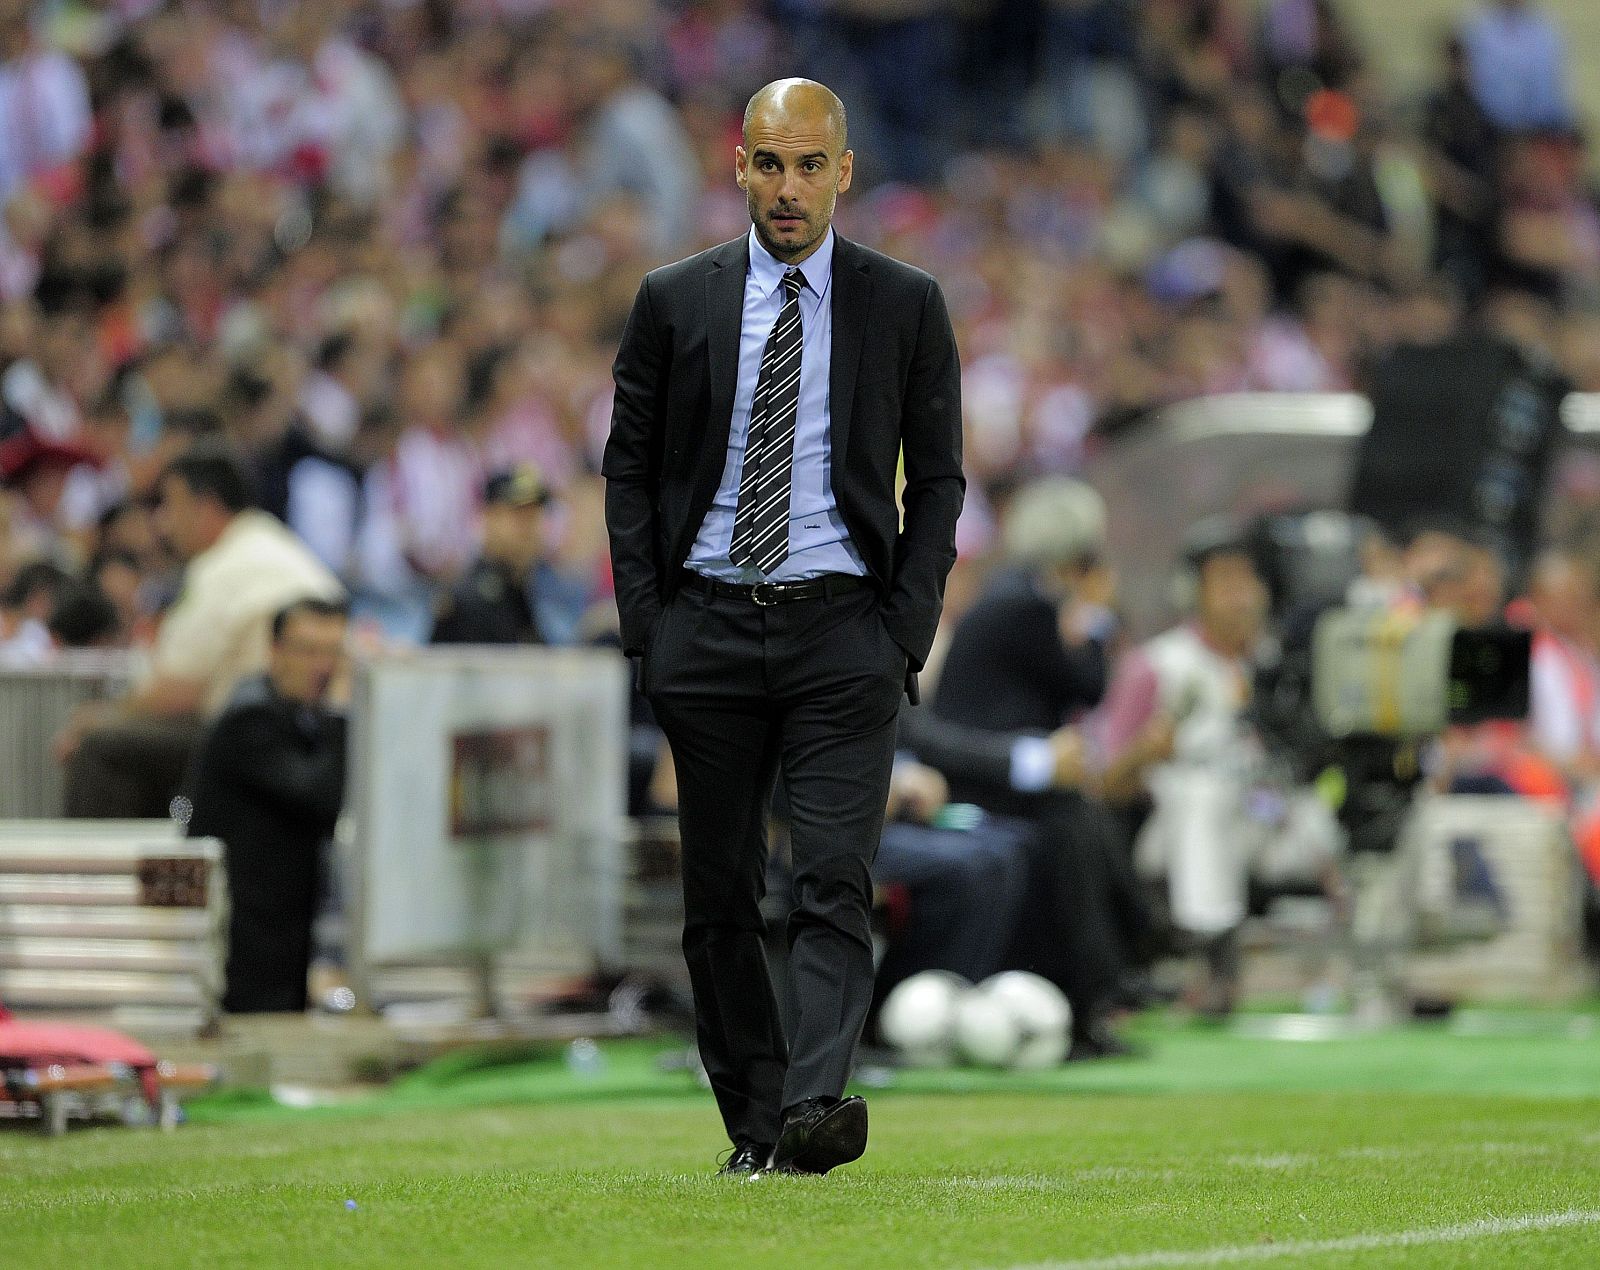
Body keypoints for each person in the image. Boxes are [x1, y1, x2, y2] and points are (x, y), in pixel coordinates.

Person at [603, 78, 963, 1177]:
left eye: (809, 165)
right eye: (770, 163)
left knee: (832, 881)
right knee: (717, 898)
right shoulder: (675, 299)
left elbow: (938, 482)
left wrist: (901, 629)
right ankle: (752, 1125)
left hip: (840, 632)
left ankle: (813, 1103)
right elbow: (627, 469)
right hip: (704, 627)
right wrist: (650, 632)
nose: (789, 186)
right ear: (741, 167)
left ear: (845, 171)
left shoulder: (904, 302)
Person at [58, 441, 343, 817]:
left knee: (101, 746)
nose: (162, 522)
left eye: (170, 506)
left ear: (206, 507)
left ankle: (102, 871)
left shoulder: (225, 566)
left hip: (262, 733)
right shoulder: (275, 545)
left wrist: (101, 717)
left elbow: (177, 691)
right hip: (302, 730)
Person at [185, 597, 349, 1013]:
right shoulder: (251, 718)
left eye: (333, 652)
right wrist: (342, 711)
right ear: (274, 651)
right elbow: (322, 794)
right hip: (244, 945)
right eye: (309, 651)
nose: (323, 667)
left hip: (284, 936)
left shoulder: (297, 717)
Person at [430, 464, 553, 646]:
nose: (530, 529)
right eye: (519, 516)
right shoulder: (470, 601)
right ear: (488, 518)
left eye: (535, 516)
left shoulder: (523, 589)